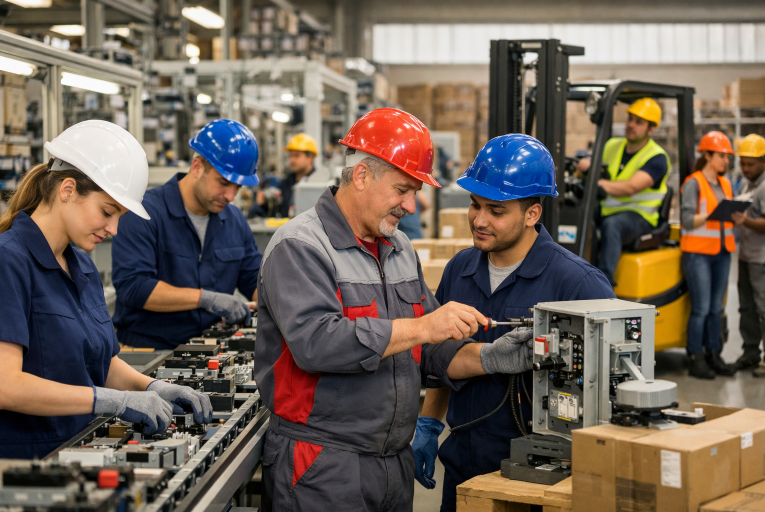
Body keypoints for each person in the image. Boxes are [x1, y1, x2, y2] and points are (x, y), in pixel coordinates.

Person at [255, 108, 487, 512]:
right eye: (402, 190)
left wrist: (495, 357)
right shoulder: (301, 246)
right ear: (361, 175)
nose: (411, 206)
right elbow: (316, 343)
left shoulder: (399, 247)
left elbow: (432, 348)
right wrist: (423, 328)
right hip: (323, 464)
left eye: (415, 191)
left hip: (392, 461)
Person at [414, 134, 615, 512]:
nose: (479, 220)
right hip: (462, 467)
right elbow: (439, 356)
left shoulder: (578, 284)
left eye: (496, 210)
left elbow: (606, 395)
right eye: (474, 205)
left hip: (537, 479)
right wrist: (429, 424)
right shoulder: (460, 268)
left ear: (532, 214)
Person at [0, 121, 211, 459]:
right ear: (67, 190)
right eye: (107, 212)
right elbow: (4, 386)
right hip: (25, 465)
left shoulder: (82, 267)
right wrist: (112, 400)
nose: (113, 229)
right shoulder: (7, 262)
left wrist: (152, 386)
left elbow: (102, 364)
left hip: (78, 453)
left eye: (119, 216)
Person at [112, 119, 262, 349]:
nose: (231, 196)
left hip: (210, 348)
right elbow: (134, 287)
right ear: (197, 167)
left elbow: (253, 279)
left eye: (238, 187)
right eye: (224, 183)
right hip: (148, 349)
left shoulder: (234, 220)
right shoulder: (144, 213)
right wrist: (206, 299)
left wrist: (272, 301)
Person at [680, 131, 737, 379]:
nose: (726, 160)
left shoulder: (726, 184)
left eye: (727, 156)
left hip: (722, 252)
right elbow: (686, 220)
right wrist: (712, 214)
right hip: (698, 254)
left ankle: (714, 354)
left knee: (716, 308)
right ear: (707, 156)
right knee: (701, 309)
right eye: (722, 156)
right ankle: (696, 356)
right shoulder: (694, 183)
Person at [596, 98, 670, 286]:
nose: (630, 125)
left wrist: (598, 184)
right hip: (608, 210)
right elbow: (598, 167)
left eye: (638, 122)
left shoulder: (657, 157)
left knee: (612, 225)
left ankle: (603, 284)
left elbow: (630, 187)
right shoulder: (612, 145)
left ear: (650, 129)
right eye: (630, 119)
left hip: (641, 218)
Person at [731, 134, 765, 375]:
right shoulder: (745, 184)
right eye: (743, 163)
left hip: (761, 259)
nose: (745, 168)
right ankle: (751, 353)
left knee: (763, 308)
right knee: (747, 308)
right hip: (744, 255)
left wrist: (746, 221)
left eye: (750, 164)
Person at [276, 133, 320, 218]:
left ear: (310, 158)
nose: (292, 160)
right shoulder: (285, 184)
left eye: (297, 156)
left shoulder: (319, 185)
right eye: (290, 156)